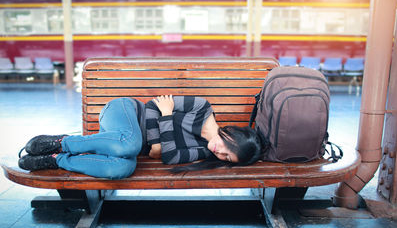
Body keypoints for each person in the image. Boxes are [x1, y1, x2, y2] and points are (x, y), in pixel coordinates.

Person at [18, 95, 262, 179]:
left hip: (122, 145)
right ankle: (63, 142)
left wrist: (167, 118)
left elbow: (168, 158)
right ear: (232, 134)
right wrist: (156, 142)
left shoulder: (204, 151)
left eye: (226, 158)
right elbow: (153, 106)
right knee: (132, 143)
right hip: (125, 112)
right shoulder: (201, 108)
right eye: (226, 149)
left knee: (120, 169)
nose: (219, 153)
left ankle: (56, 159)